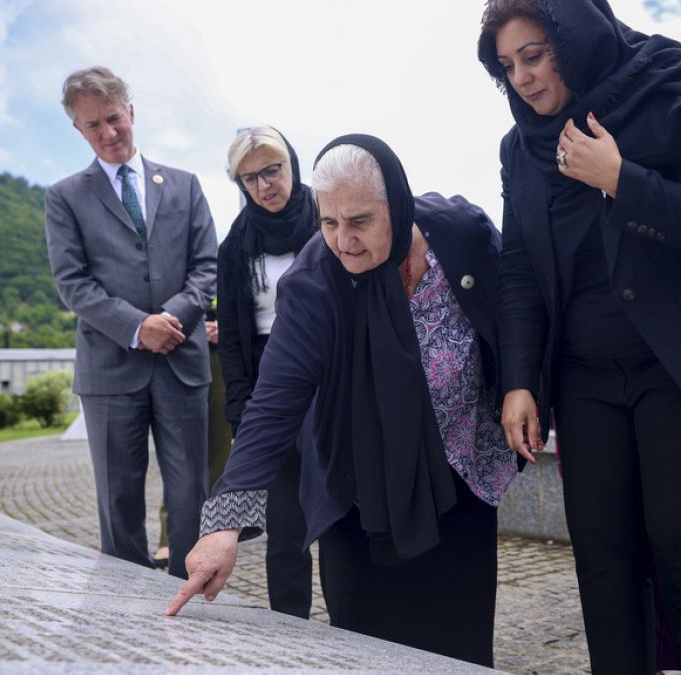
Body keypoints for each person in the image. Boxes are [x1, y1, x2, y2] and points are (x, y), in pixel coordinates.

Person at [478, 1, 681, 672]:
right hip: (588, 378)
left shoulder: (666, 85)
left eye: (535, 56)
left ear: (577, 38)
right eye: (508, 67)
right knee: (604, 562)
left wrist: (622, 180)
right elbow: (518, 271)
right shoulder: (520, 150)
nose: (524, 80)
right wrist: (517, 380)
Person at [166, 135, 520, 668]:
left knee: (461, 650)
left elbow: (516, 306)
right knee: (367, 651)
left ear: (395, 204)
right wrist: (223, 524)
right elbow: (275, 400)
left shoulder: (460, 232)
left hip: (462, 480)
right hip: (362, 495)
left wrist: (521, 386)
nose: (343, 241)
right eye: (329, 223)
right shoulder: (315, 280)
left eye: (359, 221)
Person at [44, 66, 218, 579]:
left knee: (189, 491)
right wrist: (139, 326)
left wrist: (173, 317)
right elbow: (72, 283)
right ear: (79, 130)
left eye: (114, 118)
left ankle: (190, 594)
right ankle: (125, 610)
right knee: (118, 497)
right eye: (94, 125)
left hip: (182, 362)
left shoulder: (185, 186)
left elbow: (206, 266)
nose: (108, 133)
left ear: (131, 112)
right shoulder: (64, 197)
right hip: (109, 369)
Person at [215, 126, 318, 619]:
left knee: (351, 518)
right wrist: (241, 416)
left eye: (272, 170)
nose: (264, 186)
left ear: (291, 164)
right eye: (249, 178)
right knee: (286, 527)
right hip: (272, 388)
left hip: (333, 377)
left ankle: (364, 634)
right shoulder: (235, 247)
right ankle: (291, 634)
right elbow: (232, 342)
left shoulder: (327, 215)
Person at [155, 309, 232, 568]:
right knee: (182, 456)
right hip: (180, 346)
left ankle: (215, 531)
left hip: (226, 352)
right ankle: (169, 536)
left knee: (220, 453)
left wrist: (228, 326)